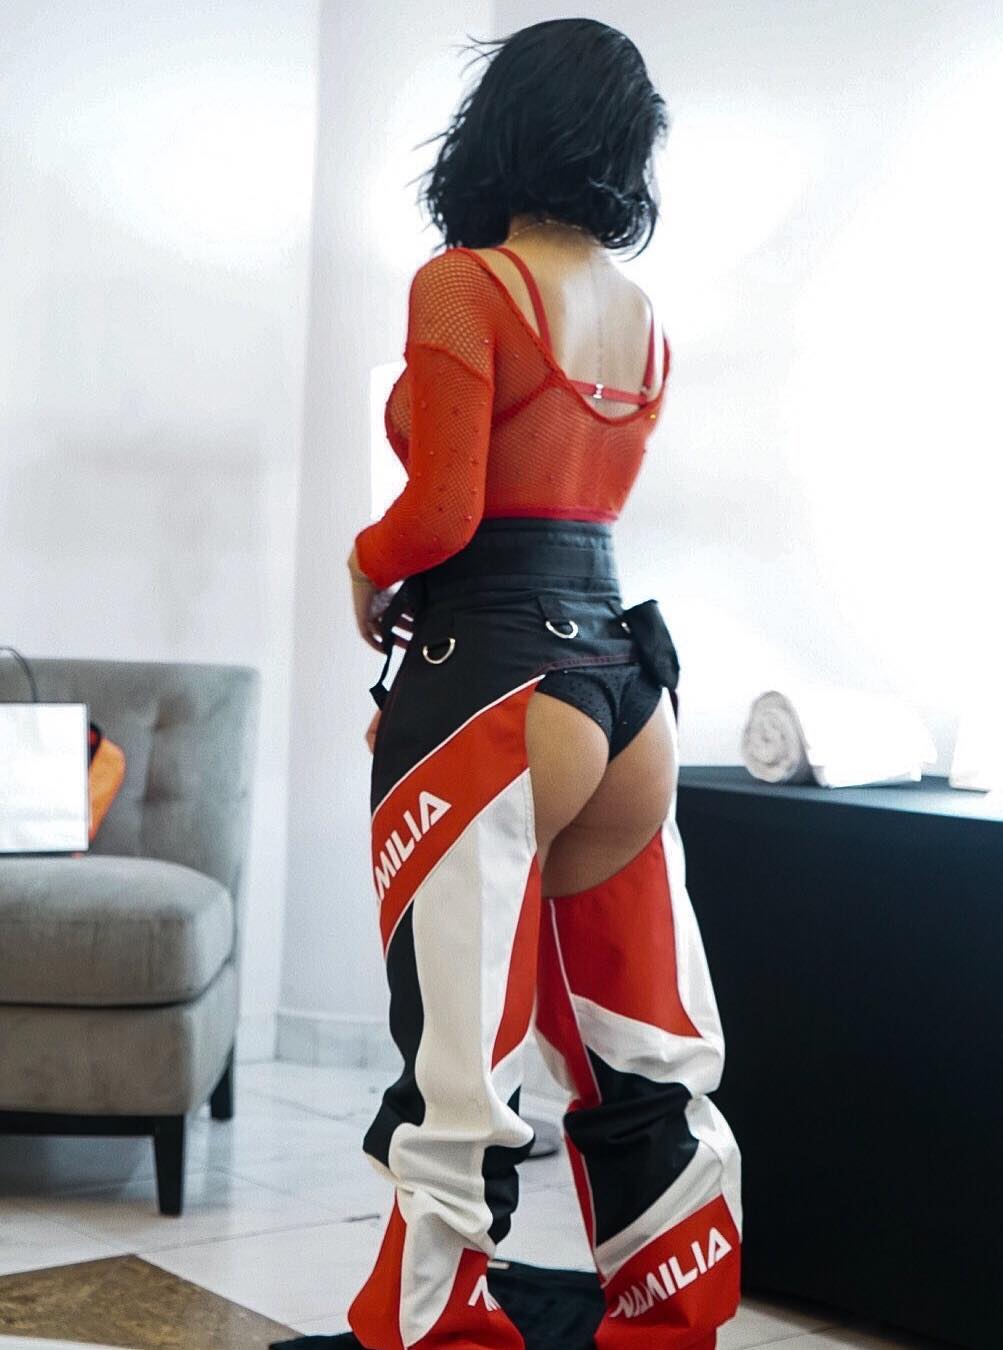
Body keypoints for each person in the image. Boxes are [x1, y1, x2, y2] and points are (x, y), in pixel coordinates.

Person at [344, 18, 742, 1349]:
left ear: (499, 123)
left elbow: (443, 514)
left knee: (460, 1064)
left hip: (493, 685)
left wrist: (363, 564)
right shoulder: (643, 320)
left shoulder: (464, 286)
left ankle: (443, 1332)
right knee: (648, 1052)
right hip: (629, 689)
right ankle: (673, 1317)